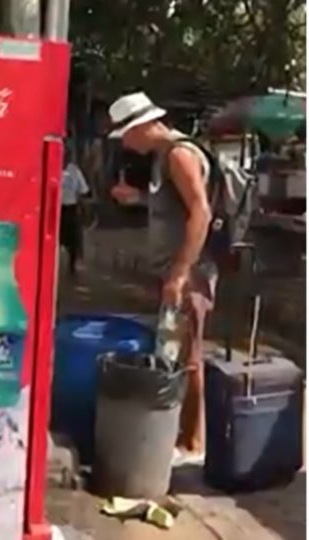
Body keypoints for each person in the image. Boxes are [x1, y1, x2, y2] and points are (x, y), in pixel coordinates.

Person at [107, 92, 214, 464]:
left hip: (189, 273)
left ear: (144, 125)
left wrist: (180, 274)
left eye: (126, 133)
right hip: (176, 271)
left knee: (189, 354)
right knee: (177, 349)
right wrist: (136, 198)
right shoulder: (162, 159)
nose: (125, 142)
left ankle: (192, 444)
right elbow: (172, 207)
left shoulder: (179, 154)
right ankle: (181, 436)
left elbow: (200, 212)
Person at [60, 152, 90, 276]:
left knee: (74, 238)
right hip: (55, 208)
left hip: (71, 208)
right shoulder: (52, 167)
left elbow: (83, 190)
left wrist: (84, 209)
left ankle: (73, 264)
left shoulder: (74, 171)